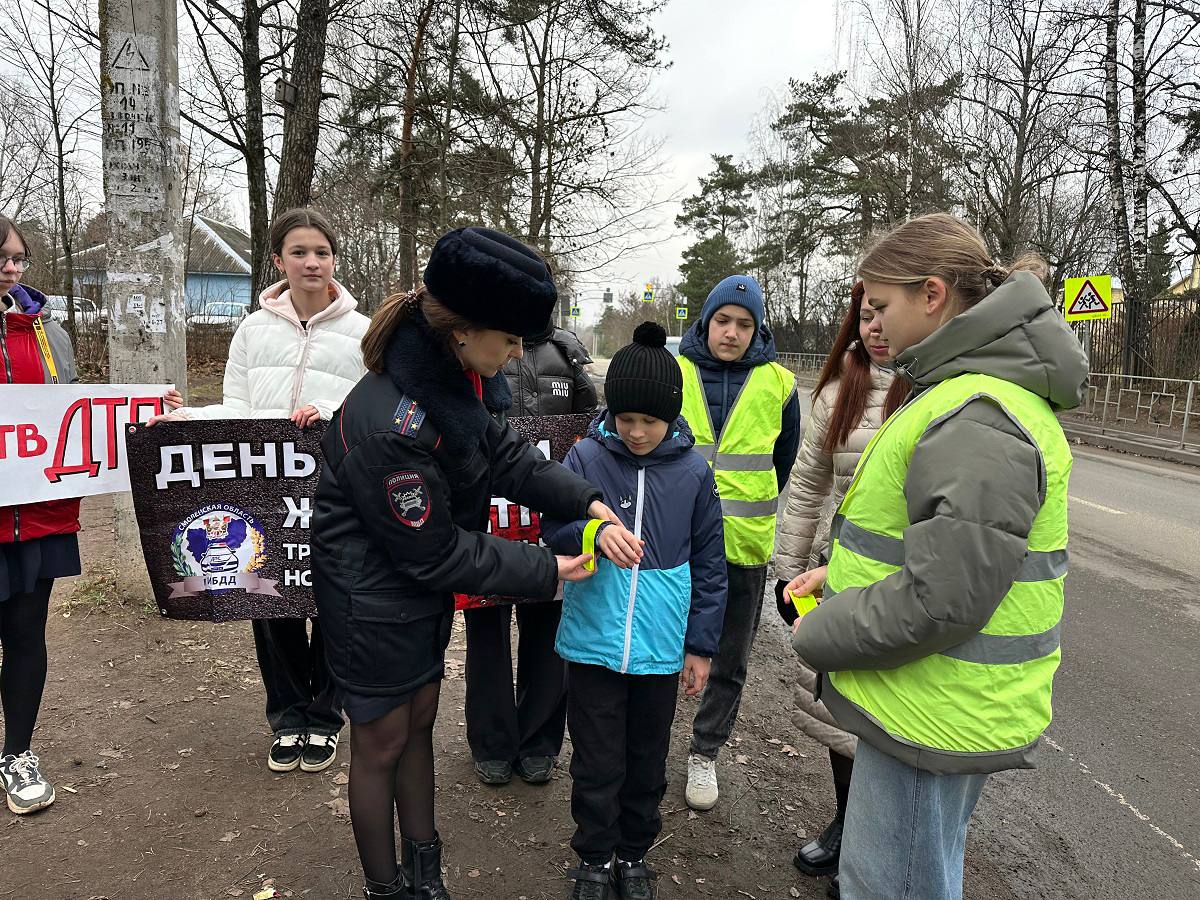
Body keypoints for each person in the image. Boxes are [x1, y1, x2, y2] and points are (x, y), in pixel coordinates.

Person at [311, 226, 630, 900]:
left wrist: (587, 500)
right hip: (370, 602)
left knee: (419, 717)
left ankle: (426, 874)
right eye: (511, 340)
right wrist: (548, 567)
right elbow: (436, 553)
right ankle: (387, 888)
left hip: (407, 592)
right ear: (462, 330)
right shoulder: (391, 423)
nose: (518, 353)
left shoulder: (453, 382)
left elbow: (506, 455)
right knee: (380, 743)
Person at [785, 212, 1088, 900]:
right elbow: (948, 552)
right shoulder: (959, 394)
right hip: (925, 699)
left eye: (881, 304)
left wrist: (821, 631)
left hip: (934, 709)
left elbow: (944, 599)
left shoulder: (976, 413)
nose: (873, 323)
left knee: (892, 886)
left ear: (931, 295)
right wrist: (843, 574)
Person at [150, 207, 368, 776]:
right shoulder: (252, 329)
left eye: (321, 252)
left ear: (334, 259)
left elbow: (376, 415)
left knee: (330, 598)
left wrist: (330, 413)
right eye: (299, 252)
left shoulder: (363, 332)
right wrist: (189, 416)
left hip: (335, 491)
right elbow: (238, 411)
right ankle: (288, 716)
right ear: (279, 261)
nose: (311, 262)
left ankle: (325, 717)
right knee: (270, 597)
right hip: (265, 490)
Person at [542, 321, 728, 900]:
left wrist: (700, 647)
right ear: (611, 413)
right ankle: (594, 858)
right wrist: (593, 534)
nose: (638, 432)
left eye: (650, 420)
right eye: (627, 420)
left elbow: (711, 566)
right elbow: (554, 525)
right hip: (594, 640)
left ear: (671, 416)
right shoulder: (586, 456)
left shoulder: (695, 471)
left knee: (647, 758)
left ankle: (633, 854)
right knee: (596, 758)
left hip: (659, 648)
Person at [0, 215, 179, 814]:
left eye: (19, 259)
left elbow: (71, 413)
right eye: (1, 258)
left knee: (26, 634)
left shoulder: (50, 330)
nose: (11, 268)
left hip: (38, 515)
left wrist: (149, 410)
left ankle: (18, 753)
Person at [773, 281, 907, 882]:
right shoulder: (835, 394)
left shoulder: (939, 390)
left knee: (900, 713)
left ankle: (886, 845)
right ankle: (847, 820)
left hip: (909, 579)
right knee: (838, 711)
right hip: (840, 570)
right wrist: (788, 574)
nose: (875, 326)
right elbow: (806, 487)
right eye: (865, 314)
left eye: (885, 313)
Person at [677, 274, 800, 811]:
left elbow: (785, 459)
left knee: (730, 657)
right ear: (706, 322)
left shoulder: (780, 384)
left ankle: (705, 751)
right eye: (723, 320)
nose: (732, 332)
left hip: (744, 545)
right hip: (673, 542)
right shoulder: (675, 370)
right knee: (664, 648)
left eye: (744, 324)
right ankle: (650, 736)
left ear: (759, 330)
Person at [465, 318, 598, 786]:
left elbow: (594, 426)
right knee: (486, 635)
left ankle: (540, 741)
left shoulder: (569, 353)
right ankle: (492, 742)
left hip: (548, 517)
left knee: (547, 635)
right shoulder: (476, 346)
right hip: (485, 517)